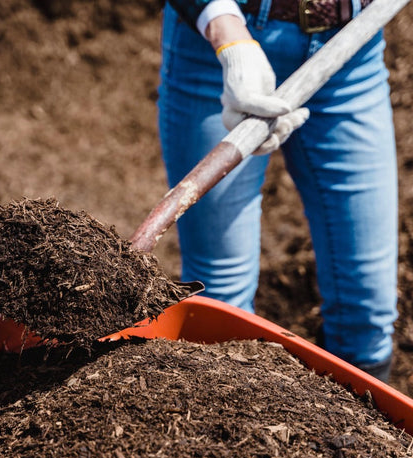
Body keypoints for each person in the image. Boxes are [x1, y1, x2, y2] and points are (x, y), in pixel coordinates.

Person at [158, 0, 397, 381]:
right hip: (222, 48)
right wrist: (228, 37)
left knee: (367, 310)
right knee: (221, 303)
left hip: (353, 46)